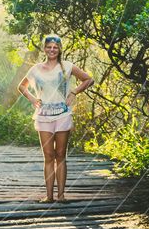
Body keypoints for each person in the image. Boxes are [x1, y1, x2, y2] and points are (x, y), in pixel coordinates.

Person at [18, 34, 94, 203]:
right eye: (49, 47)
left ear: (60, 49)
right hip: (43, 116)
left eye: (55, 47)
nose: (52, 50)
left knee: (60, 155)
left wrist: (74, 92)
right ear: (44, 48)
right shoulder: (36, 68)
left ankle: (61, 196)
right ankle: (49, 196)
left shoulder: (67, 66)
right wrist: (32, 99)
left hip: (63, 115)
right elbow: (21, 86)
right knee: (48, 156)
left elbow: (89, 79)